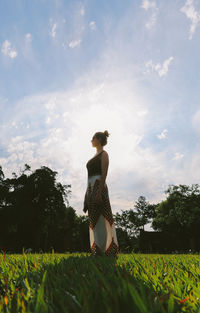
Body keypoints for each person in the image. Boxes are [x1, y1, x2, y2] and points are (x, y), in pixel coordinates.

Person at [83, 130, 119, 257]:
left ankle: (105, 250)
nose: (91, 140)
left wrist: (99, 193)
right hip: (90, 188)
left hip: (99, 187)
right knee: (93, 219)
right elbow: (88, 178)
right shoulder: (93, 157)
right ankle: (97, 250)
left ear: (99, 139)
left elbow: (104, 174)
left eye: (93, 138)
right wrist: (86, 195)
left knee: (101, 217)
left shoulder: (104, 154)